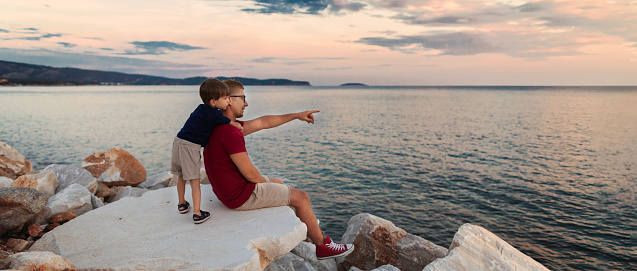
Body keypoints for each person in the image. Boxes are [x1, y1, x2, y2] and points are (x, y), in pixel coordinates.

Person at [203, 79, 354, 260]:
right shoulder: (230, 132)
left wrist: (296, 115)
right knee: (301, 197)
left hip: (227, 191)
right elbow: (250, 174)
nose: (246, 103)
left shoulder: (221, 126)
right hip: (239, 196)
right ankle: (322, 246)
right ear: (228, 99)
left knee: (279, 184)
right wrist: (264, 186)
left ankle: (305, 227)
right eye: (242, 98)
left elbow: (263, 122)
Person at [171, 78, 243, 224]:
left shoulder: (200, 108)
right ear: (213, 102)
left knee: (180, 175)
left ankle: (182, 204)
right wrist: (239, 126)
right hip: (190, 147)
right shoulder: (215, 114)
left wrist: (225, 101)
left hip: (178, 141)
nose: (228, 101)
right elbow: (231, 123)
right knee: (194, 180)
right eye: (225, 98)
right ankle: (197, 213)